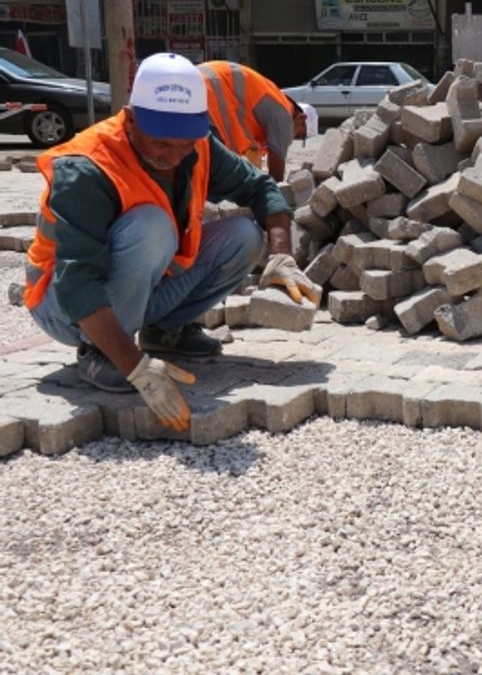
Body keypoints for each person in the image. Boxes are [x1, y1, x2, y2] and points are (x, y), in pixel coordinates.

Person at [24, 52, 320, 431]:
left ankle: (164, 333)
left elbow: (260, 187)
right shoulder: (87, 167)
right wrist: (136, 368)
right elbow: (77, 283)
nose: (175, 156)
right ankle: (102, 352)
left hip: (135, 290)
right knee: (151, 225)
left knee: (244, 235)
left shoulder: (197, 145)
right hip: (62, 305)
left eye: (185, 145)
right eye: (162, 144)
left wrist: (282, 256)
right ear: (131, 119)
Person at [197, 60, 315, 181]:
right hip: (208, 93)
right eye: (298, 135)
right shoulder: (284, 116)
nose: (292, 139)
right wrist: (277, 190)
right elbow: (276, 168)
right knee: (210, 167)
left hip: (197, 81)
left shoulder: (273, 102)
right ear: (301, 118)